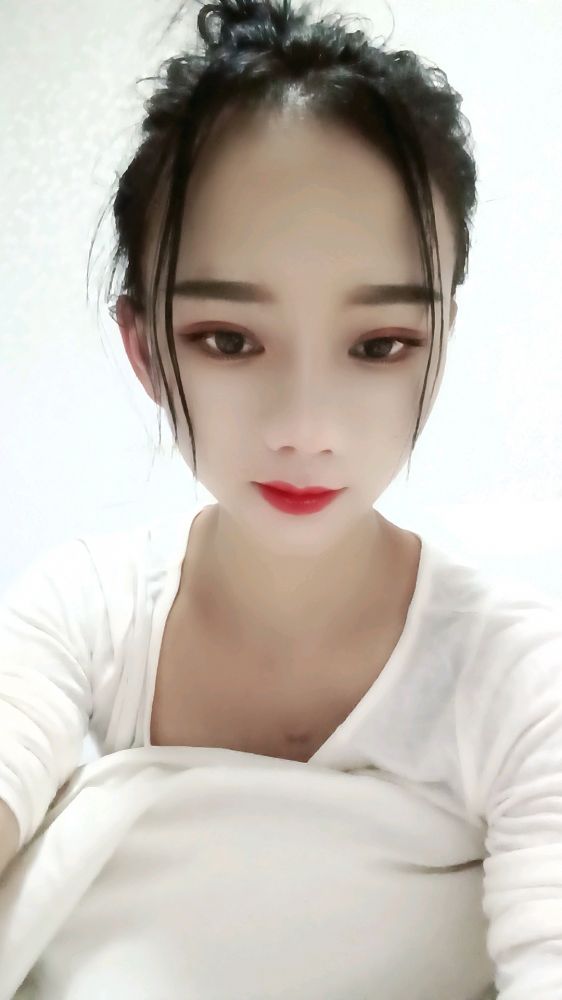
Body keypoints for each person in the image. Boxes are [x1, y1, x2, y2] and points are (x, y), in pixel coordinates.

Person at [1, 1, 560, 998]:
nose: (305, 425)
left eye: (378, 345)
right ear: (144, 348)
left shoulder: (521, 684)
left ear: (440, 344)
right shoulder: (86, 613)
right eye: (229, 339)